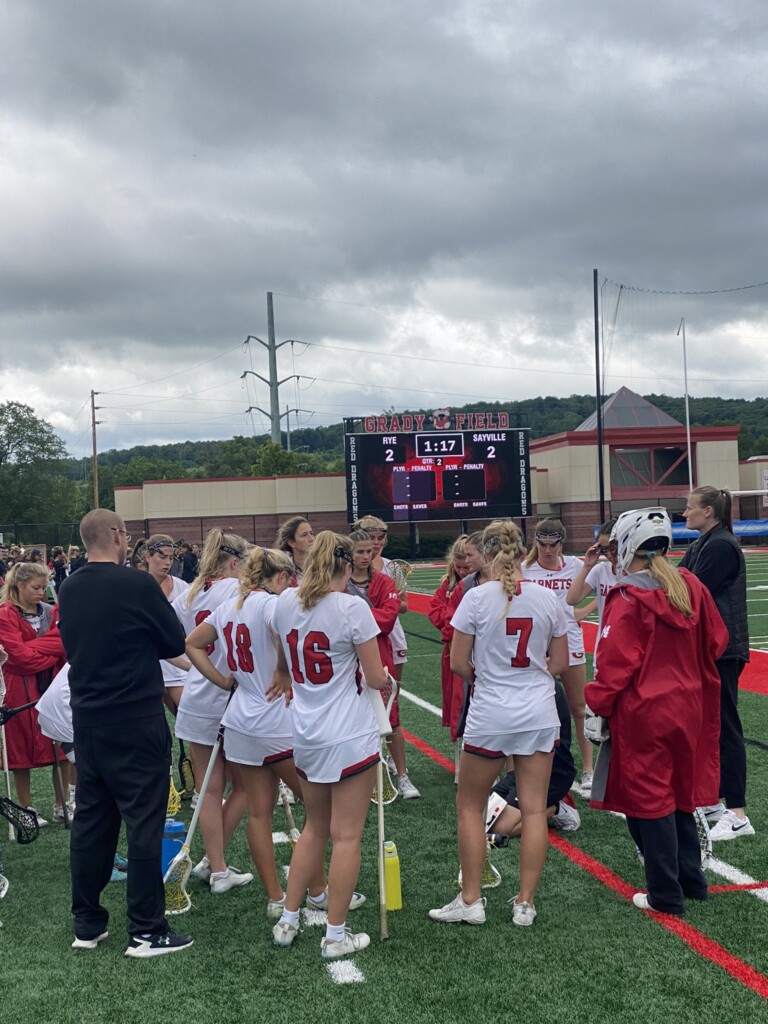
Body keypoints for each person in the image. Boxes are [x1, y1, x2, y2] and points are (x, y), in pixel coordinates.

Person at [57, 509, 192, 956]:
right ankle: (146, 930)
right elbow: (174, 641)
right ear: (115, 536)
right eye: (127, 534)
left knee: (92, 823)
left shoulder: (70, 586)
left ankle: (87, 923)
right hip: (135, 716)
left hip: (88, 721)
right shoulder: (136, 583)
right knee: (143, 822)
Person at [185, 546, 340, 921]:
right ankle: (317, 890)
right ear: (283, 577)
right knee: (320, 811)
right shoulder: (273, 605)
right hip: (276, 721)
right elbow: (290, 637)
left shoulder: (230, 607)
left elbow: (192, 644)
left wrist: (224, 680)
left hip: (240, 720)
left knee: (259, 813)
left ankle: (275, 897)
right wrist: (285, 670)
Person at [585, 507, 727, 915]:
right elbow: (716, 641)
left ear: (630, 545)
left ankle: (665, 894)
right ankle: (691, 881)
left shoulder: (629, 596)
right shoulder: (691, 585)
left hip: (645, 711)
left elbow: (615, 666)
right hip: (691, 705)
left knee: (651, 801)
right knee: (681, 794)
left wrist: (596, 703)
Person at [430, 519, 568, 928]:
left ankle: (471, 898)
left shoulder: (475, 598)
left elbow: (458, 663)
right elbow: (558, 663)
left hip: (491, 712)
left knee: (470, 806)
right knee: (534, 808)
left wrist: (489, 678)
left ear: (486, 553)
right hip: (538, 712)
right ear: (523, 549)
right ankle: (525, 903)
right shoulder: (546, 599)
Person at [270, 532, 388, 959]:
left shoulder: (285, 601)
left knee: (314, 828)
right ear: (343, 566)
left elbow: (283, 656)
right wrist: (385, 680)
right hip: (347, 735)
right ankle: (336, 936)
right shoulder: (351, 606)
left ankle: (289, 917)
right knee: (346, 836)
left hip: (306, 732)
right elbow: (375, 676)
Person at [174, 529, 253, 895]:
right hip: (229, 696)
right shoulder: (238, 592)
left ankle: (215, 865)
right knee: (248, 785)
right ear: (235, 562)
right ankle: (214, 863)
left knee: (209, 788)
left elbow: (182, 646)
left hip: (196, 697)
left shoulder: (189, 593)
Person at [680, 486, 752, 840]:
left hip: (723, 649)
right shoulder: (701, 545)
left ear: (708, 512)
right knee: (708, 725)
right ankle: (715, 800)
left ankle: (737, 812)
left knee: (726, 726)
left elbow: (688, 590)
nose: (684, 513)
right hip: (711, 649)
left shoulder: (721, 546)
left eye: (690, 507)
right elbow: (677, 579)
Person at [522, 519, 593, 794]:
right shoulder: (525, 569)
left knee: (579, 708)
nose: (547, 550)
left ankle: (587, 768)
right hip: (537, 643)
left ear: (562, 543)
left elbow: (602, 588)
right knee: (535, 706)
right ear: (535, 542)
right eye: (542, 544)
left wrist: (582, 614)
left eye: (553, 544)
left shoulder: (576, 566)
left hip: (570, 639)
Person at [346, 529, 418, 798]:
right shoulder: (340, 582)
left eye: (369, 550)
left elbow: (388, 620)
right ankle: (358, 775)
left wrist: (355, 619)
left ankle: (402, 775)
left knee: (391, 717)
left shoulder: (385, 582)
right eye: (360, 551)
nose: (367, 555)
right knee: (353, 716)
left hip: (380, 655)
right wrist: (367, 617)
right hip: (349, 660)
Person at [0, 562, 69, 825]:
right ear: (19, 586)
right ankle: (26, 807)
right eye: (36, 587)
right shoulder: (5, 614)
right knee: (20, 750)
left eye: (44, 587)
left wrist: (32, 647)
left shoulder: (51, 612)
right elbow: (17, 657)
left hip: (51, 684)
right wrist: (49, 655)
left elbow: (64, 642)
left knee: (61, 744)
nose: (42, 592)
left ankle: (61, 803)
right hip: (18, 688)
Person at [132, 536, 190, 713]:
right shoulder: (132, 587)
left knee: (185, 715)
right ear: (148, 557)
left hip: (176, 663)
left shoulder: (181, 587)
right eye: (162, 557)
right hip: (146, 665)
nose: (167, 563)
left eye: (171, 558)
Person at [428, 535, 470, 729]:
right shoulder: (448, 584)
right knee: (455, 699)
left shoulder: (480, 583)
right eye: (458, 566)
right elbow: (435, 611)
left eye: (466, 567)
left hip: (475, 648)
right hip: (452, 648)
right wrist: (450, 625)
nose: (462, 571)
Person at [565, 519, 618, 654]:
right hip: (604, 648)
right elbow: (572, 599)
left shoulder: (638, 574)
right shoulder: (601, 570)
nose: (609, 554)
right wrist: (587, 566)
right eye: (604, 549)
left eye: (613, 547)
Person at [275, 516, 315, 585]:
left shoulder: (323, 565)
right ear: (291, 542)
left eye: (311, 533)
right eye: (304, 535)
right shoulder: (282, 570)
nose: (311, 539)